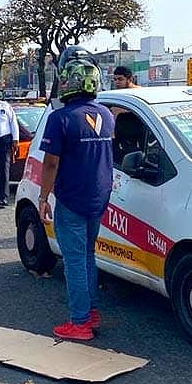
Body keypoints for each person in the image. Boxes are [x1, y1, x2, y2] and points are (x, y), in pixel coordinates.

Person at [38, 46, 114, 341]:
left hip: (70, 200)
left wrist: (44, 198)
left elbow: (51, 163)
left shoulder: (61, 118)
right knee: (87, 256)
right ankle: (91, 312)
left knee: (74, 262)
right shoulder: (107, 115)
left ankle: (80, 322)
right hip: (98, 199)